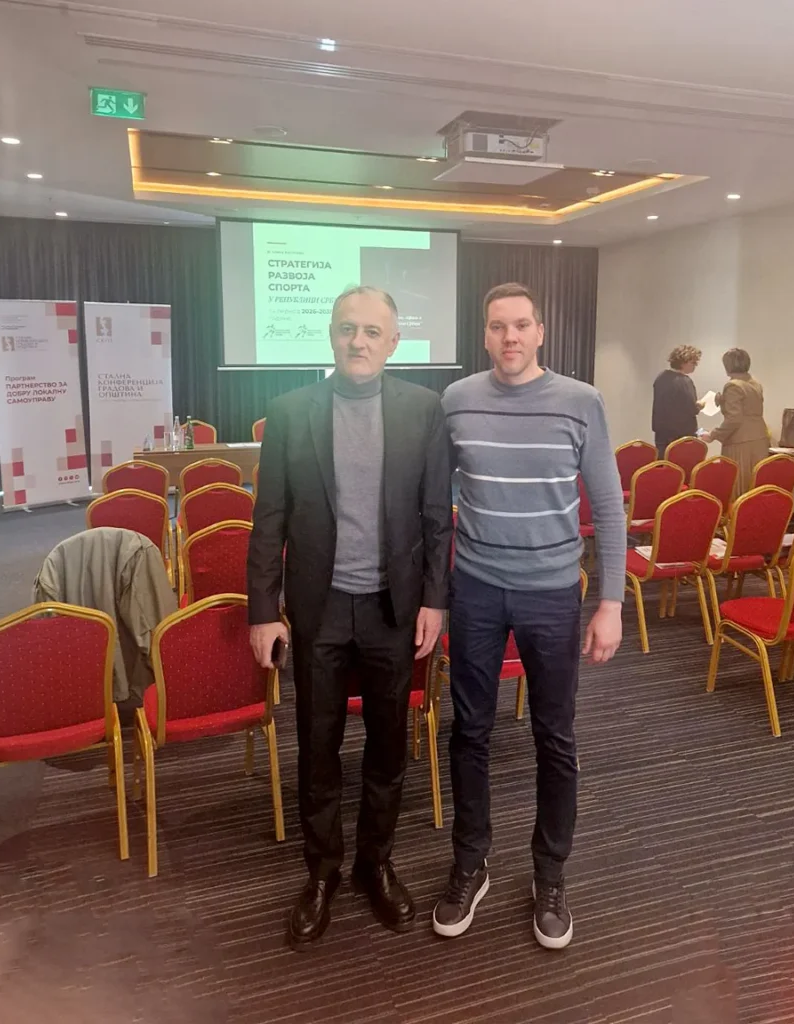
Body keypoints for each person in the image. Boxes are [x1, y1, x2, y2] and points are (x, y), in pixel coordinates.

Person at [247, 286, 452, 948]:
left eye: (370, 331)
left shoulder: (423, 410)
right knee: (318, 747)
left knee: (388, 748)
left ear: (393, 343)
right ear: (331, 336)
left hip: (395, 611)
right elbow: (269, 518)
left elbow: (435, 516)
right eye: (346, 329)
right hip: (320, 610)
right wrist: (263, 611)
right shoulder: (290, 411)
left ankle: (375, 863)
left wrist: (434, 599)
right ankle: (322, 872)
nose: (357, 341)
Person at [432, 282, 626, 950]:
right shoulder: (456, 401)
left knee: (555, 737)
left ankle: (550, 874)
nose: (509, 337)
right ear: (484, 334)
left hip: (551, 595)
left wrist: (610, 602)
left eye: (520, 325)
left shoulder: (581, 401)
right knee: (469, 732)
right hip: (476, 590)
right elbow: (433, 502)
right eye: (497, 326)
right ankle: (470, 862)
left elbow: (609, 505)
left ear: (540, 332)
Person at [700, 348, 770, 498]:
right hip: (759, 438)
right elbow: (748, 407)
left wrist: (713, 434)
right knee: (755, 485)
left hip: (740, 441)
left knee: (738, 485)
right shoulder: (755, 383)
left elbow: (734, 418)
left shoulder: (733, 385)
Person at [652, 345, 703, 457]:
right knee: (683, 465)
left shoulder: (660, 377)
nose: (695, 366)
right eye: (693, 362)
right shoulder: (684, 381)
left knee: (665, 463)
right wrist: (700, 405)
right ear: (684, 362)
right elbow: (692, 409)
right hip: (682, 435)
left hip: (662, 433)